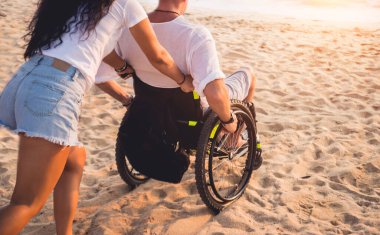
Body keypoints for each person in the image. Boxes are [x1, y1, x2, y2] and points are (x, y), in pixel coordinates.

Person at [0, 0, 194, 234]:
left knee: (74, 160)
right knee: (26, 203)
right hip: (54, 90)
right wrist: (183, 81)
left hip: (28, 78)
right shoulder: (125, 4)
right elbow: (158, 56)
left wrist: (121, 67)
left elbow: (94, 44)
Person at [97, 0, 257, 134]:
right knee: (248, 73)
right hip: (193, 119)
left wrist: (126, 101)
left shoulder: (127, 31)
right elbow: (214, 94)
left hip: (153, 110)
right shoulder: (195, 35)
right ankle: (237, 135)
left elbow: (99, 77)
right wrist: (228, 120)